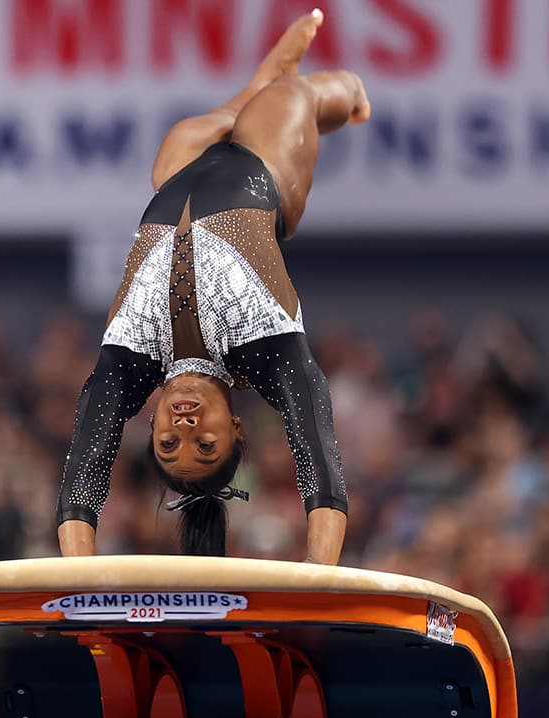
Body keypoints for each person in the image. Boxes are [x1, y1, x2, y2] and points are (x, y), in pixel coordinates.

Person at [56, 10, 367, 564]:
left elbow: (82, 483)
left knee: (209, 123)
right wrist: (319, 577)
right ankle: (344, 91)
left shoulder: (129, 361)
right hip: (264, 168)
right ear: (237, 428)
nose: (184, 427)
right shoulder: (266, 351)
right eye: (206, 444)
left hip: (177, 174)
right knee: (290, 100)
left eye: (168, 444)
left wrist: (81, 580)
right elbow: (319, 463)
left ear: (148, 424)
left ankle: (263, 75)